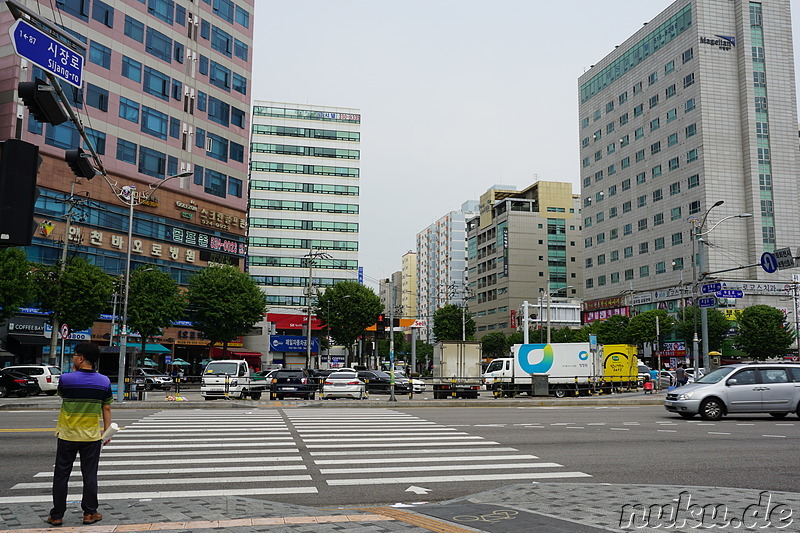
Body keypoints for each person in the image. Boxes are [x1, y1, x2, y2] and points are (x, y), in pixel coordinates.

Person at [46, 342, 113, 527]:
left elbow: (62, 395)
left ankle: (57, 515)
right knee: (90, 475)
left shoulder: (66, 379)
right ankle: (90, 513)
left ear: (81, 358)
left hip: (67, 434)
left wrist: (74, 372)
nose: (73, 358)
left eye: (75, 355)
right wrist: (107, 433)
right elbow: (106, 407)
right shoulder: (104, 381)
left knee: (61, 475)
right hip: (91, 437)